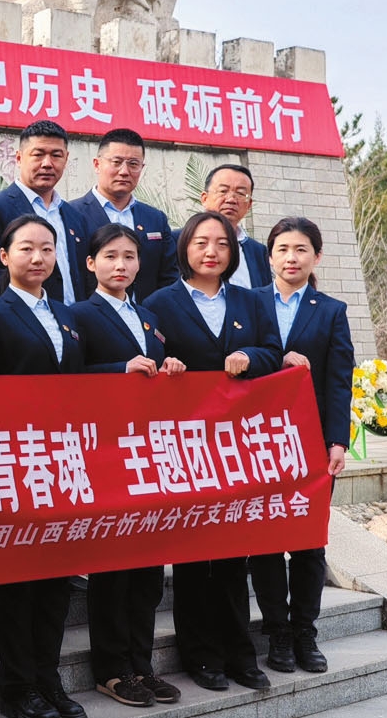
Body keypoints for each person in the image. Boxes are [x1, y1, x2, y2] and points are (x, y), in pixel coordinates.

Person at [142, 211, 282, 693]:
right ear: (184, 247)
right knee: (192, 556)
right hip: (184, 445)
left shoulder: (250, 299)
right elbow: (148, 360)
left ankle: (241, 654)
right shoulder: (160, 302)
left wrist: (250, 357)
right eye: (201, 242)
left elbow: (272, 350)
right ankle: (200, 655)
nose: (211, 251)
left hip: (236, 443)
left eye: (221, 243)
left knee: (232, 554)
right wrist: (166, 365)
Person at [0, 215, 87, 718]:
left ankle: (48, 677)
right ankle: (18, 687)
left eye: (46, 248)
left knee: (56, 582)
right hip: (13, 464)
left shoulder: (66, 315)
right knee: (17, 584)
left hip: (61, 464)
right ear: (4, 256)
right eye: (26, 248)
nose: (37, 258)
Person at [67, 223, 183, 708]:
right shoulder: (77, 314)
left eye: (130, 256)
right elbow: (69, 379)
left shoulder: (150, 317)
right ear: (90, 263)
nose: (121, 265)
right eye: (111, 256)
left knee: (148, 573)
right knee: (112, 572)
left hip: (148, 458)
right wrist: (120, 370)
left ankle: (141, 665)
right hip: (106, 457)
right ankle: (111, 670)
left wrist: (171, 367)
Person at [250, 217, 354, 675]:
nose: (291, 258)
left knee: (309, 544)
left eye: (301, 249)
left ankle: (304, 632)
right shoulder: (249, 303)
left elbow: (339, 381)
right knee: (267, 543)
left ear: (317, 256)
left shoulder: (331, 310)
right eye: (282, 249)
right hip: (257, 440)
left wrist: (337, 441)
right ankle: (277, 633)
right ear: (269, 256)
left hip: (310, 443)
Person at [0, 121, 89, 305]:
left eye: (56, 155)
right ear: (19, 158)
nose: (47, 164)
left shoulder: (74, 215)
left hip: (71, 318)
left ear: (66, 159)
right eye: (38, 154)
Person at [70, 129, 177, 305]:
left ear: (142, 168)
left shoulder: (155, 219)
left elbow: (169, 277)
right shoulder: (71, 214)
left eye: (133, 164)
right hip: (89, 317)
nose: (124, 171)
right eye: (116, 162)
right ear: (97, 164)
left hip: (146, 316)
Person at [199, 163, 270, 289]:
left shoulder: (258, 252)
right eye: (223, 191)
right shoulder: (177, 241)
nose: (231, 199)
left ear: (249, 204)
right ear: (205, 198)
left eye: (240, 193)